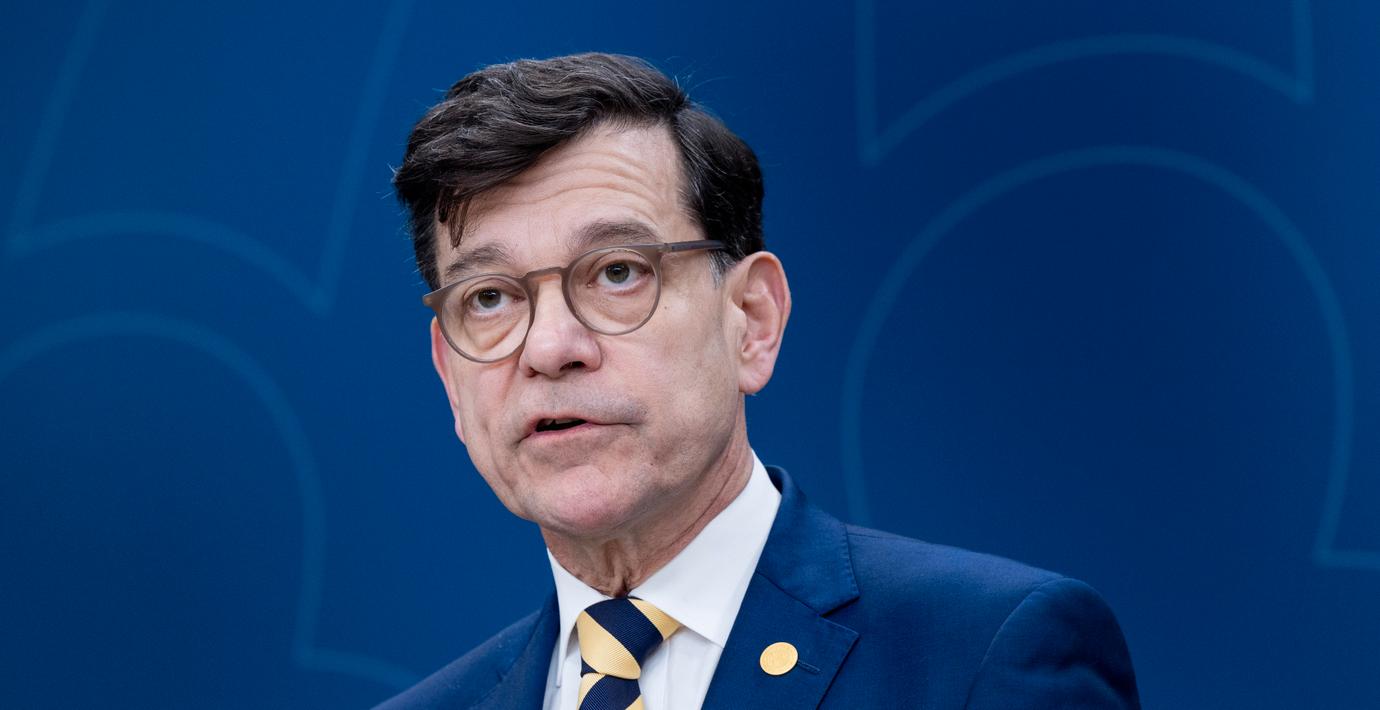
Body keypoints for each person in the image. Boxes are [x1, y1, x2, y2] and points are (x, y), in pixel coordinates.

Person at [378, 52, 1140, 709]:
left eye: (617, 272)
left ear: (753, 320)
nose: (550, 347)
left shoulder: (982, 654)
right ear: (450, 376)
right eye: (489, 298)